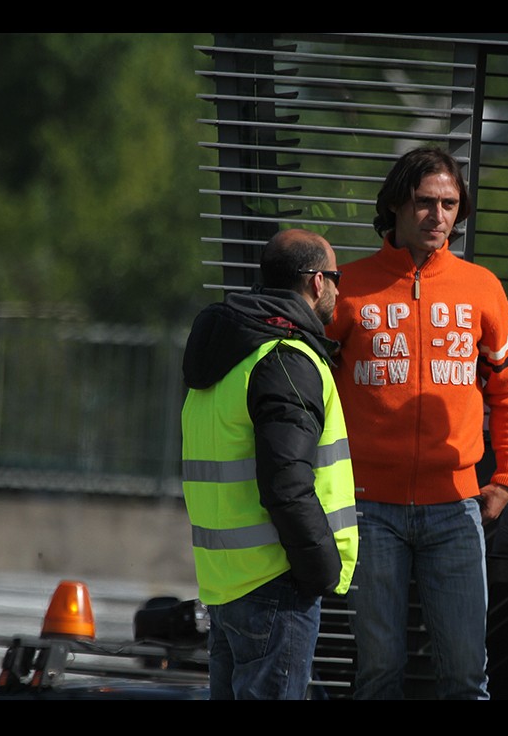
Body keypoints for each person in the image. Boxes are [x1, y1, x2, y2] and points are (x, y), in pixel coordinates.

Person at [326, 145, 508, 699]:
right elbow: (308, 394)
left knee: (466, 676)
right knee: (378, 672)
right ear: (395, 206)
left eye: (448, 204)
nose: (437, 216)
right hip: (368, 507)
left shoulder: (481, 287)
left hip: (455, 507)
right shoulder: (345, 288)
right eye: (423, 202)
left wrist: (507, 479)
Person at [180, 228, 359, 700]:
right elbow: (287, 482)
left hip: (227, 585)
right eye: (335, 277)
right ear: (317, 282)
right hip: (274, 585)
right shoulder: (285, 358)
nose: (339, 290)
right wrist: (321, 570)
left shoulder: (229, 352)